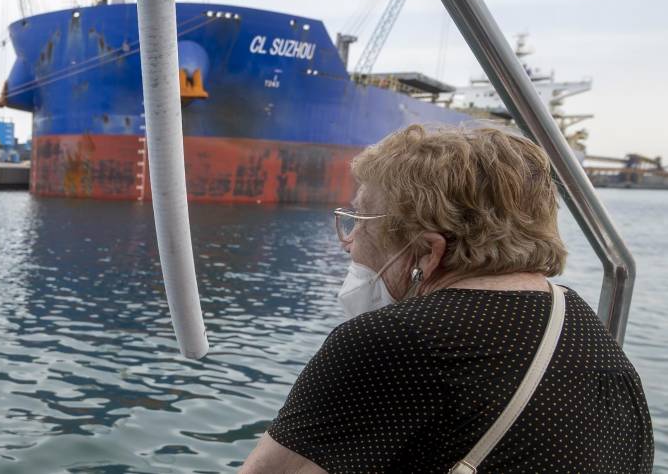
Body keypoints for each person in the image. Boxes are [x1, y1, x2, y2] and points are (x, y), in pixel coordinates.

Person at [240, 124, 653, 473]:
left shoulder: (395, 341)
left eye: (359, 220)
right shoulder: (585, 328)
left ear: (427, 252)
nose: (348, 243)